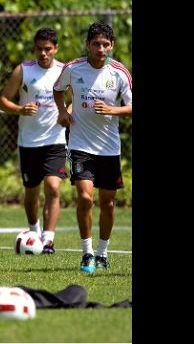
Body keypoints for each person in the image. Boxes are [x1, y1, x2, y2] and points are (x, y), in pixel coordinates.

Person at [53, 22, 132, 274]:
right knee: (86, 198)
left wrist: (112, 110)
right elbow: (57, 90)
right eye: (96, 44)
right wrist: (63, 110)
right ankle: (87, 253)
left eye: (105, 44)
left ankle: (102, 253)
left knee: (108, 203)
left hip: (109, 148)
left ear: (112, 46)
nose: (101, 49)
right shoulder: (73, 69)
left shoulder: (119, 72)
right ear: (88, 44)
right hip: (80, 144)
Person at [0, 27, 67, 254]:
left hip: (55, 139)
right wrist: (20, 109)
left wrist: (66, 113)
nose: (44, 53)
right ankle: (34, 231)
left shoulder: (64, 71)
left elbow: (75, 98)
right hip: (28, 141)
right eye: (39, 49)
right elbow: (3, 100)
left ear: (56, 49)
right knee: (31, 193)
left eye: (48, 49)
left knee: (53, 187)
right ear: (34, 49)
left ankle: (48, 240)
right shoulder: (23, 71)